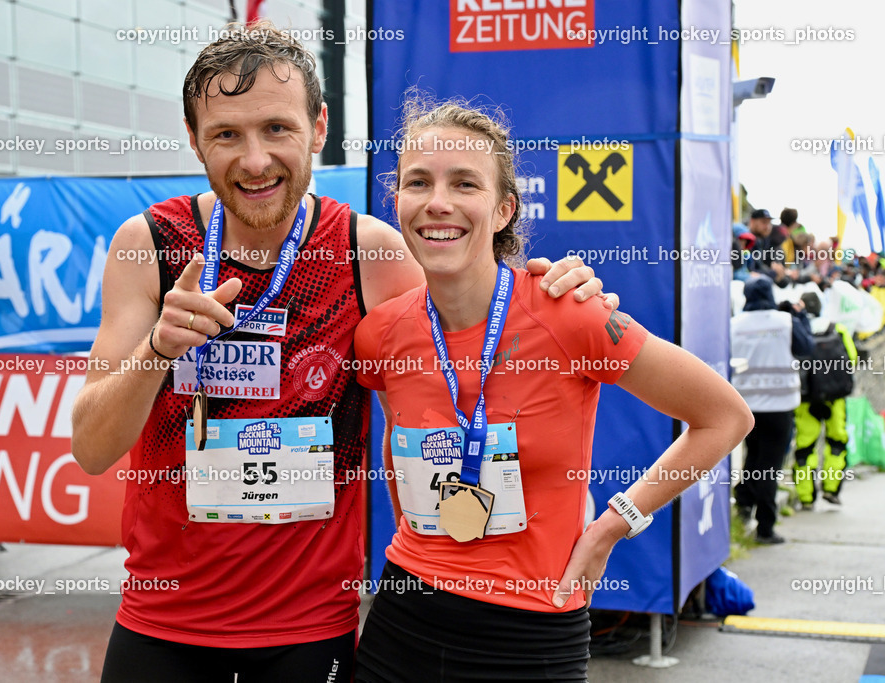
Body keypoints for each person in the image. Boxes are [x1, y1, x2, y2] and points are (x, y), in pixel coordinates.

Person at [70, 21, 611, 682]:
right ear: (193, 139)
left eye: (277, 129)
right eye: (226, 135)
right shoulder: (150, 243)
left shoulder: (370, 251)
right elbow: (93, 448)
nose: (255, 160)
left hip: (309, 630)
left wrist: (559, 289)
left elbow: (480, 342)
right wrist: (158, 348)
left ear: (318, 128)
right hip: (163, 624)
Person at [351, 98, 753, 682]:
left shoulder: (569, 314)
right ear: (398, 202)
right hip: (404, 621)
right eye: (419, 182)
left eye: (465, 183)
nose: (438, 202)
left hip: (533, 630)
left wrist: (612, 527)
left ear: (503, 208)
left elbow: (724, 417)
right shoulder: (380, 333)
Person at [731, 276, 813, 544]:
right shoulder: (785, 321)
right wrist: (800, 318)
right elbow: (807, 348)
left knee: (753, 458)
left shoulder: (734, 325)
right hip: (780, 407)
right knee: (770, 466)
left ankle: (743, 503)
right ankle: (765, 527)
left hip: (746, 407)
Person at [793, 291, 856, 508]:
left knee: (805, 447)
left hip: (806, 400)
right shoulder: (837, 329)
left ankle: (806, 497)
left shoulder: (799, 330)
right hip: (834, 399)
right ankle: (831, 489)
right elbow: (852, 358)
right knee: (836, 442)